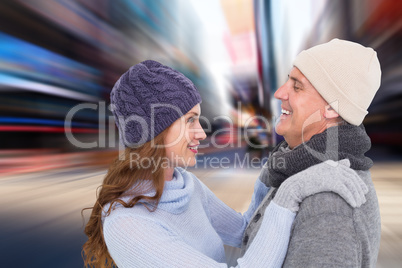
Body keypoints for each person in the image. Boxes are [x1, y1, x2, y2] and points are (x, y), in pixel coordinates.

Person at [82, 60, 368, 268]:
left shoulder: (185, 185)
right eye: (190, 120)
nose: (202, 132)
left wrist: (271, 172)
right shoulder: (128, 225)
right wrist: (291, 192)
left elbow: (243, 231)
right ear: (154, 131)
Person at [241, 39, 382, 267]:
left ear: (332, 108)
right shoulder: (298, 168)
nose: (279, 93)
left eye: (297, 87)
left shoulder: (330, 208)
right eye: (288, 80)